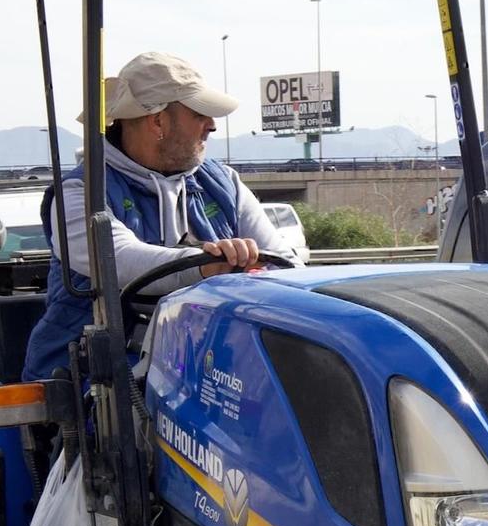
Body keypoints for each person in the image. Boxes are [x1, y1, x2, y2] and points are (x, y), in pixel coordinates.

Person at [22, 51, 301, 382]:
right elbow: (116, 258)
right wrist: (205, 265)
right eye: (200, 113)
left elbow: (284, 262)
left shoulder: (223, 182)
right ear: (157, 121)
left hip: (206, 369)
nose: (211, 125)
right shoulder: (81, 191)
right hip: (92, 380)